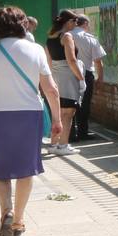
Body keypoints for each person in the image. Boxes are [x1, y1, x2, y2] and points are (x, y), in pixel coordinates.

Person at [0, 6, 61, 236]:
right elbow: (50, 89)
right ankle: (19, 220)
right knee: (25, 170)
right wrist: (57, 119)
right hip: (29, 114)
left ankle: (6, 211)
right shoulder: (36, 50)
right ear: (23, 24)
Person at [44, 9, 84, 156]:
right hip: (68, 76)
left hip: (55, 75)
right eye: (75, 21)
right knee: (68, 112)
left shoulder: (50, 37)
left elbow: (48, 61)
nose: (76, 24)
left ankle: (54, 143)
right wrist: (81, 78)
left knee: (58, 113)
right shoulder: (66, 36)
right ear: (68, 22)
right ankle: (63, 145)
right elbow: (71, 60)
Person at [71, 13, 105, 142]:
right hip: (86, 74)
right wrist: (100, 77)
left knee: (69, 103)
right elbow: (97, 61)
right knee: (84, 104)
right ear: (85, 23)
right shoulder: (90, 38)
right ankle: (82, 132)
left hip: (69, 74)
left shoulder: (67, 35)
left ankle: (70, 133)